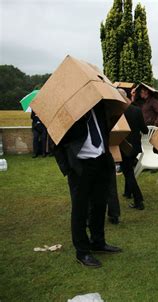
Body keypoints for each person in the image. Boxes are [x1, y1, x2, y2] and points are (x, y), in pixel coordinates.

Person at [54, 101, 122, 268]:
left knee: (100, 205)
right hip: (80, 167)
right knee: (80, 210)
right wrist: (68, 169)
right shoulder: (67, 109)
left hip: (100, 161)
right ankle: (82, 252)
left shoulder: (99, 106)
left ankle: (98, 242)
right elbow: (55, 139)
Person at [120, 89, 149, 210]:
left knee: (128, 173)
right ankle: (128, 193)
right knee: (129, 168)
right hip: (136, 146)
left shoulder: (118, 112)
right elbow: (145, 130)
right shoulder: (136, 110)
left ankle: (138, 200)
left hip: (124, 146)